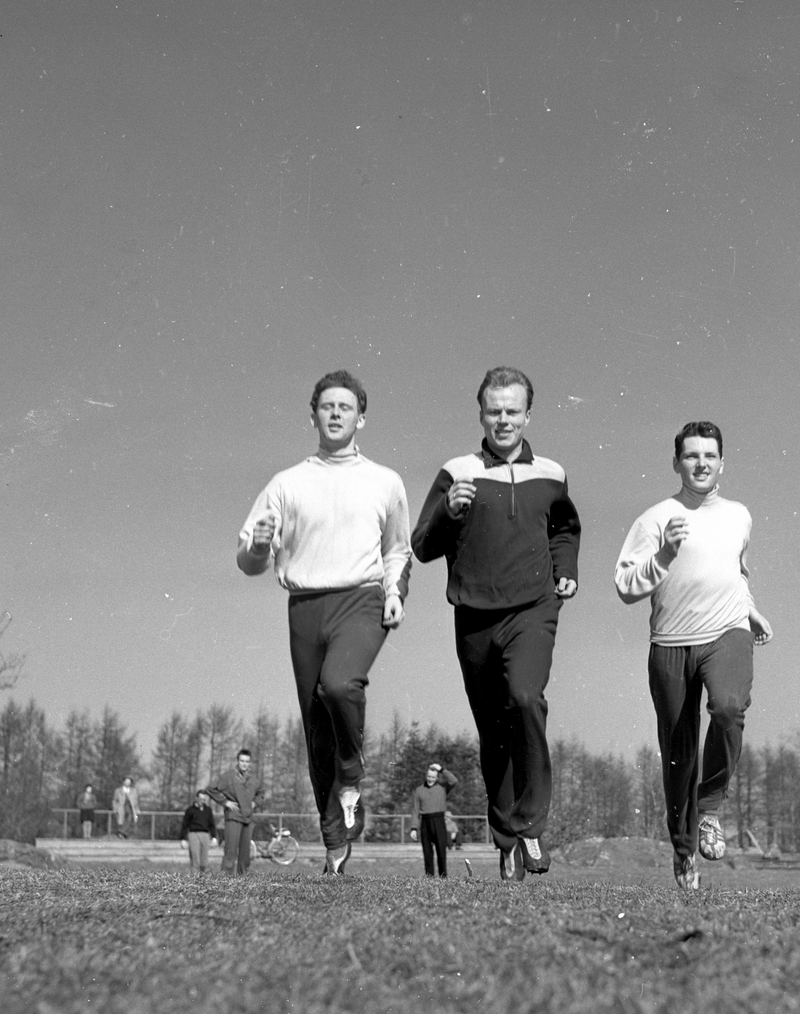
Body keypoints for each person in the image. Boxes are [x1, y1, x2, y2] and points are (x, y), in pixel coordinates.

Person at [236, 371, 411, 876]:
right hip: (305, 606)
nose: (336, 414)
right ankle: (335, 844)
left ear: (362, 417)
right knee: (317, 734)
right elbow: (248, 563)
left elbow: (398, 549)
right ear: (312, 414)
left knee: (340, 686)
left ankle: (353, 775)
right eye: (327, 406)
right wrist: (261, 543)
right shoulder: (286, 484)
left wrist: (395, 592)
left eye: (346, 407)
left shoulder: (385, 480)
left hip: (361, 599)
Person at [412, 367, 580, 881]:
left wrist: (566, 570)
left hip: (532, 609)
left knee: (526, 700)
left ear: (528, 414)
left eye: (513, 411)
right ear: (480, 413)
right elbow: (422, 545)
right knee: (494, 730)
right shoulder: (456, 470)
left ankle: (529, 826)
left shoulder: (551, 472)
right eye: (494, 410)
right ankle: (506, 839)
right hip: (474, 615)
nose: (504, 420)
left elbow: (565, 529)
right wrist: (449, 511)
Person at [614, 421, 773, 891]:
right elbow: (625, 586)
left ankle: (710, 807)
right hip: (670, 644)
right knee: (679, 753)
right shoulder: (655, 518)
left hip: (727, 632)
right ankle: (684, 854)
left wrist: (751, 610)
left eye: (709, 455)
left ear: (722, 462)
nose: (701, 463)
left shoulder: (740, 515)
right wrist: (663, 553)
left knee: (727, 708)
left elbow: (734, 572)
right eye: (691, 455)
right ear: (677, 462)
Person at [206, 749, 260, 876]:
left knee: (245, 854)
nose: (244, 764)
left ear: (250, 763)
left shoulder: (253, 779)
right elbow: (211, 788)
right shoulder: (228, 776)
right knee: (230, 851)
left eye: (247, 761)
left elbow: (261, 792)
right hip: (234, 817)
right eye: (242, 761)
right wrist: (226, 802)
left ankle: (243, 878)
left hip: (248, 818)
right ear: (237, 761)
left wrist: (255, 802)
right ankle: (226, 878)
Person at [409, 762, 459, 878]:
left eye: (433, 777)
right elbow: (415, 810)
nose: (430, 779)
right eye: (429, 776)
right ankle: (429, 877)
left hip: (439, 821)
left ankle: (443, 877)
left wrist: (441, 769)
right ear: (426, 776)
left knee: (441, 851)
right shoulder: (419, 790)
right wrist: (414, 828)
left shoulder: (442, 788)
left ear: (437, 777)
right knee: (427, 852)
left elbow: (454, 780)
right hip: (425, 822)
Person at [179, 789, 219, 874]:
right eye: (201, 799)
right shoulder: (190, 810)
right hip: (194, 834)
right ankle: (195, 878)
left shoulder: (208, 810)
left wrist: (214, 837)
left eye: (204, 799)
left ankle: (204, 878)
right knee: (195, 859)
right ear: (196, 798)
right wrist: (183, 838)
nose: (202, 801)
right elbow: (185, 825)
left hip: (205, 835)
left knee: (204, 861)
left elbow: (211, 824)